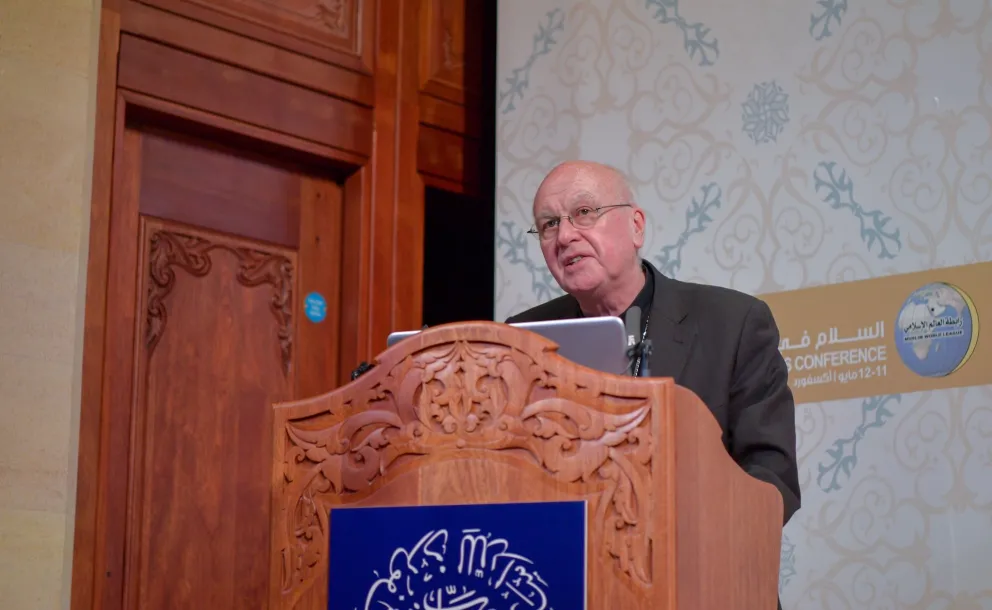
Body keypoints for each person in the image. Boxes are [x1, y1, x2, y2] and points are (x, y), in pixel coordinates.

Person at [506, 160, 801, 527]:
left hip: (703, 568)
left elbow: (772, 474)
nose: (564, 236)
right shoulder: (524, 338)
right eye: (549, 224)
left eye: (583, 213)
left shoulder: (733, 323)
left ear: (636, 227)